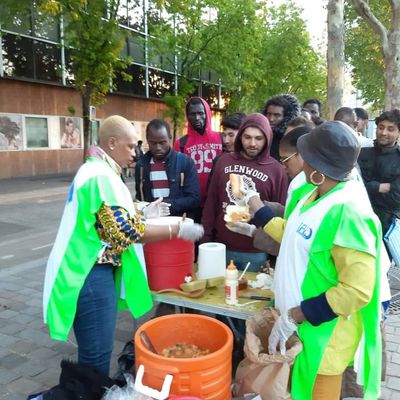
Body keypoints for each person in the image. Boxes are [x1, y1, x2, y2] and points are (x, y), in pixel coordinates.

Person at [43, 115, 204, 376]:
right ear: (111, 143)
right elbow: (124, 233)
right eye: (130, 146)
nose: (136, 152)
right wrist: (177, 228)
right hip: (90, 275)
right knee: (96, 357)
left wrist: (140, 213)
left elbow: (105, 220)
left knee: (93, 354)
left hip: (88, 273)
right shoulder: (101, 177)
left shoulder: (96, 171)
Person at [236, 121, 382, 399]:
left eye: (304, 158)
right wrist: (257, 218)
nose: (299, 164)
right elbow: (293, 233)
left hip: (323, 342)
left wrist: (296, 315)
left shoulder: (349, 212)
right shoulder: (314, 196)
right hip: (301, 333)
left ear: (316, 168)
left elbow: (357, 290)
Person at [201, 113, 288, 271]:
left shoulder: (276, 170)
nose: (252, 143)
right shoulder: (223, 161)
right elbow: (211, 204)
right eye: (247, 137)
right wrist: (205, 240)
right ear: (240, 137)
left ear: (267, 138)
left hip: (256, 252)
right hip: (221, 248)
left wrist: (274, 258)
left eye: (258, 138)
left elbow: (280, 215)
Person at [135, 119, 201, 220]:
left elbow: (194, 199)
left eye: (162, 143)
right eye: (153, 143)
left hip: (178, 223)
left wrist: (165, 205)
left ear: (170, 138)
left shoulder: (185, 162)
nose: (158, 147)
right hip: (152, 224)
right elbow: (140, 198)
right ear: (147, 140)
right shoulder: (141, 166)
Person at [174, 97, 223, 221]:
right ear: (188, 116)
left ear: (207, 113)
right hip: (192, 204)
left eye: (200, 113)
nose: (197, 118)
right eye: (192, 114)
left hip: (218, 201)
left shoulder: (221, 138)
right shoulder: (181, 144)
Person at [358, 109, 400, 235]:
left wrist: (369, 187)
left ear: (398, 132)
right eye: (380, 127)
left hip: (386, 225)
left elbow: (396, 197)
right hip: (358, 218)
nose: (383, 133)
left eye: (390, 129)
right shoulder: (361, 153)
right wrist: (379, 187)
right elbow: (351, 186)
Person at [261, 94, 300, 160]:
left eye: (277, 115)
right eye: (269, 114)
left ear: (286, 117)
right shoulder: (259, 135)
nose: (271, 119)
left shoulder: (290, 139)